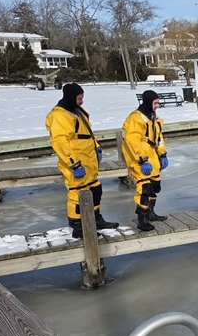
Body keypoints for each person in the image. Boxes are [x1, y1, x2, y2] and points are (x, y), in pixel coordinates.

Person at [45, 83, 119, 238]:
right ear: (71, 97)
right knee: (77, 194)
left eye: (82, 98)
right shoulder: (59, 116)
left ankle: (96, 219)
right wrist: (74, 163)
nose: (82, 101)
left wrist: (97, 147)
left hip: (88, 160)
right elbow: (60, 142)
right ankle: (78, 226)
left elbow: (88, 132)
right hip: (75, 163)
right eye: (80, 98)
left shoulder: (77, 111)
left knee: (96, 189)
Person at [122, 90, 168, 232]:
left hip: (153, 157)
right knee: (145, 188)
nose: (157, 106)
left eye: (158, 103)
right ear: (148, 102)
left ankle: (150, 213)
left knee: (155, 187)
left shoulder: (153, 118)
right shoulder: (136, 118)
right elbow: (132, 140)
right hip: (139, 159)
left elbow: (158, 138)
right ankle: (142, 219)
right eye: (155, 103)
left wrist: (163, 154)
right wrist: (142, 159)